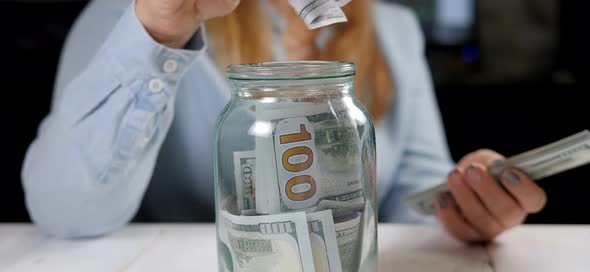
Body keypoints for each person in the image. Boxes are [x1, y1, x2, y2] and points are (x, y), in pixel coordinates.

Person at [22, 0, 547, 241]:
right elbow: (67, 213)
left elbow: (414, 197)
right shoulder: (128, 15)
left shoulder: (394, 27)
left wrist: (467, 204)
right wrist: (158, 29)